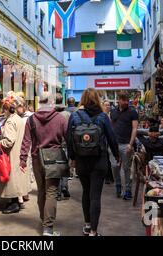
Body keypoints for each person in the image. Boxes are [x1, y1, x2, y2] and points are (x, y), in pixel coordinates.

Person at [67, 88, 120, 236]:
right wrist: (117, 155)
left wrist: (72, 158)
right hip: (99, 161)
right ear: (97, 99)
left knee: (86, 192)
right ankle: (94, 232)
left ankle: (87, 225)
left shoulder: (75, 116)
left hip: (81, 161)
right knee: (95, 195)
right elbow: (112, 138)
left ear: (82, 99)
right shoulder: (103, 116)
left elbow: (69, 138)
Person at [20, 91, 68, 236]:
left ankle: (43, 220)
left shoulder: (32, 119)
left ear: (39, 102)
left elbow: (26, 141)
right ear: (52, 103)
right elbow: (69, 139)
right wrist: (73, 158)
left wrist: (22, 159)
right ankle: (48, 228)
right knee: (51, 192)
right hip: (54, 158)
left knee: (41, 191)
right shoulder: (60, 119)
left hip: (36, 159)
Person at [0, 94, 31, 214]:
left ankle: (14, 203)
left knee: (13, 180)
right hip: (19, 152)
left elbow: (9, 141)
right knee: (17, 179)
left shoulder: (10, 121)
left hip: (12, 154)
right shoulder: (19, 119)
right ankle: (17, 202)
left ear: (6, 109)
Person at [110, 92, 139, 200]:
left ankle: (127, 190)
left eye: (127, 100)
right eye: (124, 100)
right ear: (119, 100)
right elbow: (111, 127)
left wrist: (130, 144)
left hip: (126, 144)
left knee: (126, 168)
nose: (126, 102)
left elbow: (135, 128)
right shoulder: (113, 112)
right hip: (114, 145)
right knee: (115, 167)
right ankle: (118, 186)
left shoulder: (132, 112)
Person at [55, 93, 71, 201]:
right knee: (65, 167)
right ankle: (65, 187)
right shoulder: (68, 114)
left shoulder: (52, 114)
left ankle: (58, 191)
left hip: (55, 144)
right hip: (66, 144)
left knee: (57, 169)